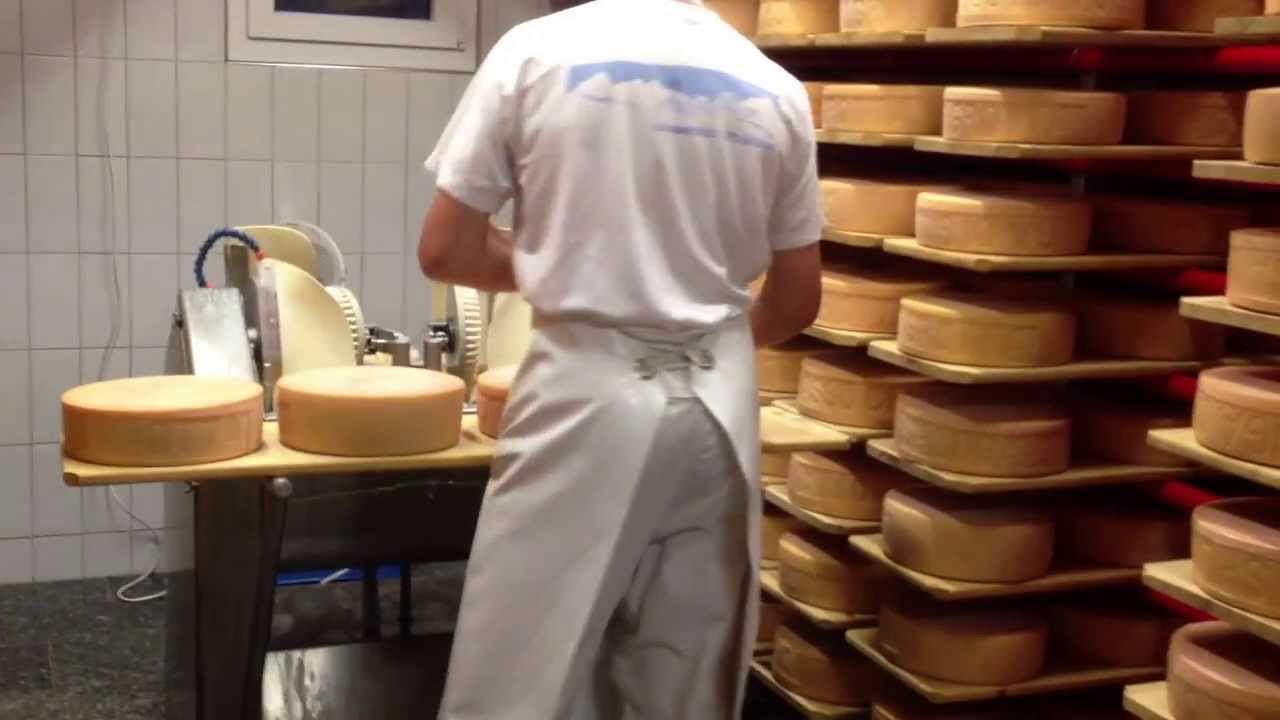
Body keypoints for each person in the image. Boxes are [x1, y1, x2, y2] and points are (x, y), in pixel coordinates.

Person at [417, 0, 823, 717]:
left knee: (519, 675)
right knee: (683, 674)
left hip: (587, 395)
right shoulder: (774, 87)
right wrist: (708, 341)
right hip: (720, 412)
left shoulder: (536, 53)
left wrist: (559, 263)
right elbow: (795, 300)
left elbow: (446, 250)